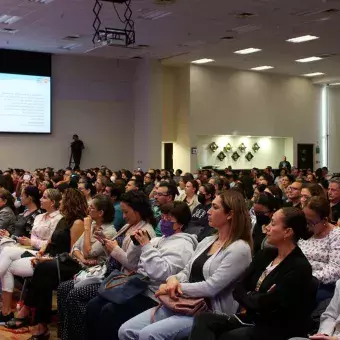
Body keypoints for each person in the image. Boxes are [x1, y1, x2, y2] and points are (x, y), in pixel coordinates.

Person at [118, 190, 253, 340]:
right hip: (183, 302)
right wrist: (173, 279)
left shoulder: (239, 248)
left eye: (215, 207)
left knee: (148, 335)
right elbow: (186, 271)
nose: (208, 211)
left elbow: (212, 287)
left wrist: (176, 287)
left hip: (208, 311)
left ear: (230, 214)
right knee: (126, 330)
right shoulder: (208, 241)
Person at [190, 207, 316, 340]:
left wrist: (251, 296)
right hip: (252, 319)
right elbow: (238, 289)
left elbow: (272, 305)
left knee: (230, 336)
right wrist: (256, 297)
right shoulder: (266, 254)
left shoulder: (299, 267)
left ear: (288, 232)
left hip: (278, 328)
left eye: (273, 224)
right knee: (204, 319)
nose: (266, 228)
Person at [84, 202, 198, 340]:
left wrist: (146, 246)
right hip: (137, 287)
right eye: (162, 217)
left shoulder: (183, 246)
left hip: (154, 295)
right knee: (94, 305)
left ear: (180, 224)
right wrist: (137, 245)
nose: (163, 221)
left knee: (110, 312)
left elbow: (162, 273)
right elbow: (134, 264)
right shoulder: (159, 239)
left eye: (169, 219)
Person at [57, 190, 156, 340]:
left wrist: (114, 249)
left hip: (125, 281)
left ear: (138, 211)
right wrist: (104, 241)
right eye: (122, 212)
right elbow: (106, 251)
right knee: (67, 290)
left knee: (79, 297)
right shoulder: (128, 226)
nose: (123, 216)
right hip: (112, 275)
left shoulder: (145, 232)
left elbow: (135, 265)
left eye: (126, 212)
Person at [5, 188, 88, 337]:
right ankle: (40, 322)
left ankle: (31, 314)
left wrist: (49, 259)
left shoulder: (77, 223)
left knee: (43, 269)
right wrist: (42, 253)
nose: (60, 202)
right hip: (54, 258)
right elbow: (50, 241)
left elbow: (73, 252)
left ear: (70, 202)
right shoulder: (64, 220)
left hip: (69, 263)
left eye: (63, 199)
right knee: (41, 269)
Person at [0, 189, 63, 322]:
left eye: (44, 197)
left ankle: (6, 312)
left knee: (6, 260)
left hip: (45, 255)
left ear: (52, 202)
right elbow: (34, 240)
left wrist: (32, 242)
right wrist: (31, 242)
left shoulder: (59, 219)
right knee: (6, 252)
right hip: (31, 249)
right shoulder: (40, 217)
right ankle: (5, 312)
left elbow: (50, 243)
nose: (40, 199)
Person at [299, 196, 340, 303]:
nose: (307, 226)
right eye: (304, 221)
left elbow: (335, 269)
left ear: (325, 220)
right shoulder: (305, 232)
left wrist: (308, 278)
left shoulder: (336, 235)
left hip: (322, 285)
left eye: (311, 222)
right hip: (299, 277)